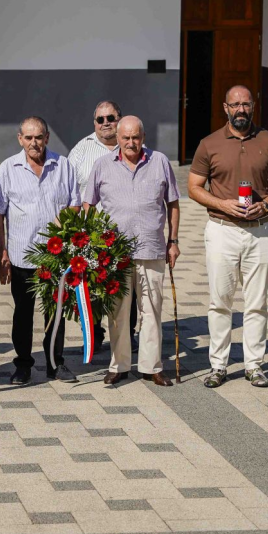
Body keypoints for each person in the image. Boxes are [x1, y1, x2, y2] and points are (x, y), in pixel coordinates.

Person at [187, 85, 268, 389]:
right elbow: (193, 187)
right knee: (220, 302)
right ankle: (218, 365)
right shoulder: (209, 144)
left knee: (257, 303)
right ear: (225, 108)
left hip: (260, 232)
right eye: (235, 105)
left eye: (246, 104)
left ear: (253, 106)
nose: (241, 109)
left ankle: (254, 365)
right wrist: (222, 203)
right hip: (222, 231)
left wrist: (267, 202)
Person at [86, 116, 180, 386]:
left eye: (135, 137)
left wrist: (173, 241)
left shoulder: (159, 161)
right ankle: (119, 365)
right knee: (117, 313)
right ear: (117, 137)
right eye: (125, 137)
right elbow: (88, 206)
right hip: (115, 255)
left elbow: (172, 203)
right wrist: (91, 246)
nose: (131, 142)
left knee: (151, 310)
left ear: (143, 136)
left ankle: (152, 367)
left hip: (152, 249)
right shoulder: (102, 165)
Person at [0, 116, 82, 385]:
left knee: (56, 312)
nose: (34, 143)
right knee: (23, 313)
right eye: (28, 138)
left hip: (55, 258)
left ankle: (55, 363)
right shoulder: (8, 168)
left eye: (39, 137)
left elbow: (76, 205)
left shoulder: (63, 166)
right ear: (20, 139)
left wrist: (61, 218)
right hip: (20, 255)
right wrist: (1, 253)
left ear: (47, 138)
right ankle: (23, 364)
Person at [66, 101, 137, 349]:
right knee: (95, 285)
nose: (105, 122)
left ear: (119, 119)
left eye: (111, 117)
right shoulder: (81, 150)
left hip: (126, 231)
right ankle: (94, 334)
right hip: (93, 233)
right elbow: (68, 187)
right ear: (94, 122)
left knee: (127, 288)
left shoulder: (133, 143)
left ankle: (127, 335)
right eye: (100, 119)